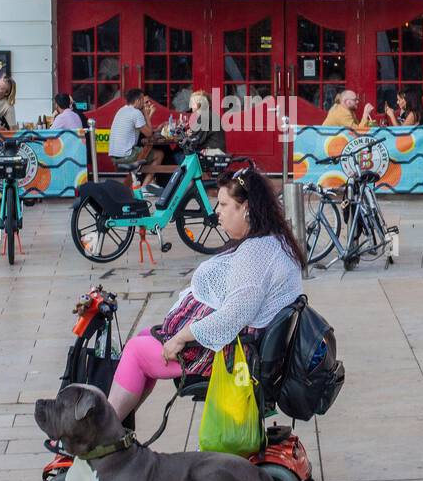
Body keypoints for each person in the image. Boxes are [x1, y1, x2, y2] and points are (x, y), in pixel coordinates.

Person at [106, 167, 305, 422]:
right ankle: (119, 426)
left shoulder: (256, 254)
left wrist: (181, 337)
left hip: (232, 355)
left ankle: (104, 434)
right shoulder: (271, 241)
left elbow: (232, 317)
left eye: (223, 204)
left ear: (246, 208)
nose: (216, 212)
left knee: (135, 350)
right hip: (241, 345)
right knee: (145, 336)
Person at [108, 88, 162, 176]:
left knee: (146, 153)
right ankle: (146, 184)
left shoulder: (121, 110)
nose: (143, 103)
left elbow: (143, 130)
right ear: (137, 101)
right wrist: (145, 112)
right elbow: (149, 134)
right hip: (127, 155)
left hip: (114, 155)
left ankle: (149, 182)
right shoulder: (136, 113)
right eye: (142, 100)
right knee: (159, 154)